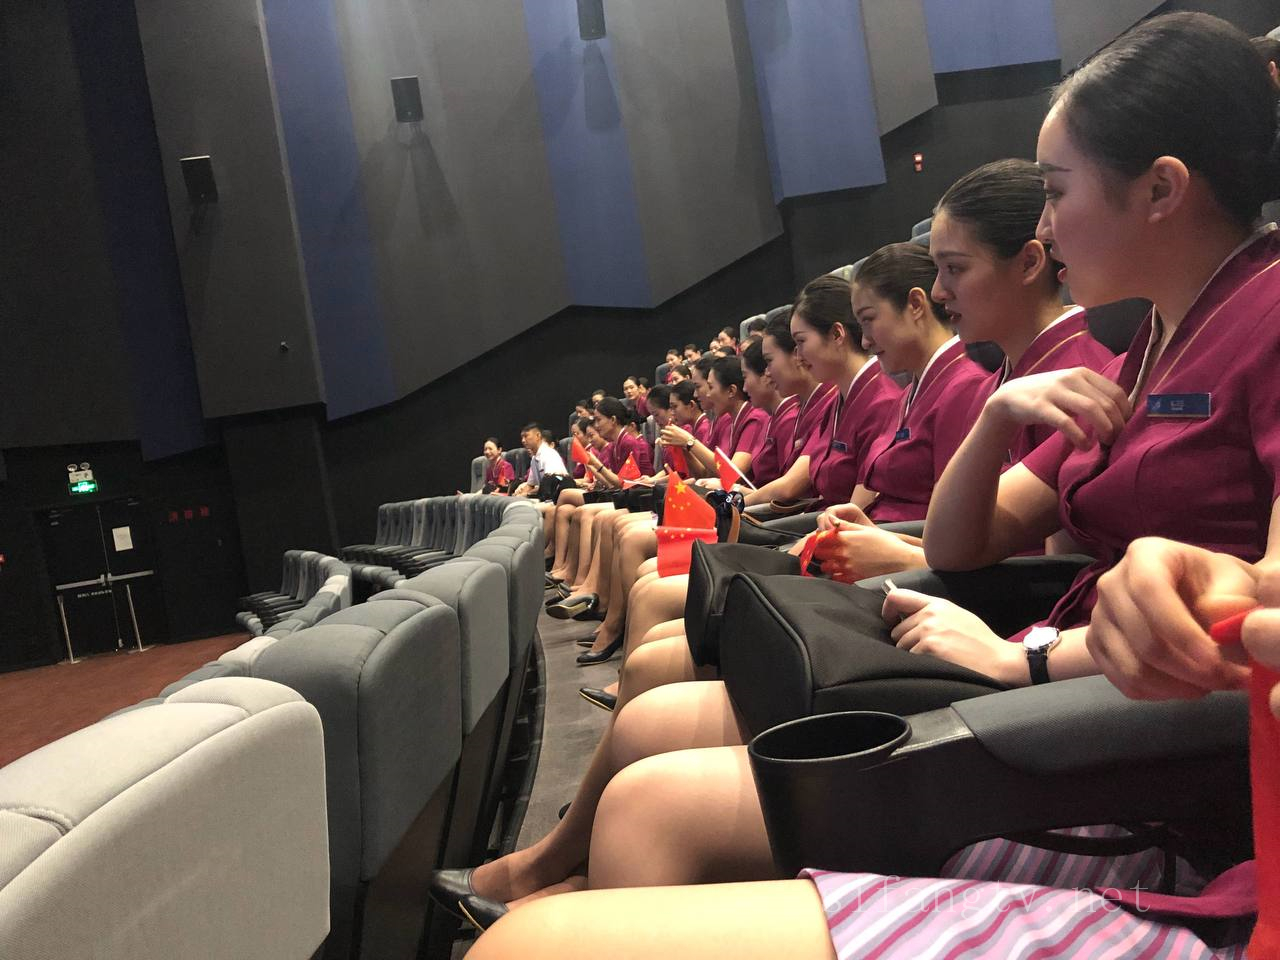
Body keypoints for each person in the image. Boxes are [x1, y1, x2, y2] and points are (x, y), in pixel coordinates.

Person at [444, 16, 1280, 952]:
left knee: (626, 829)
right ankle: (561, 871)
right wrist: (1001, 421)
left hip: (1120, 747)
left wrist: (1028, 661)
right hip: (1043, 670)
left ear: (1160, 190)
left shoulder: (1259, 316)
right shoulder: (1140, 353)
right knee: (645, 762)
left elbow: (1251, 617)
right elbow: (965, 542)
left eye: (1055, 193)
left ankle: (560, 878)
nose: (1047, 227)